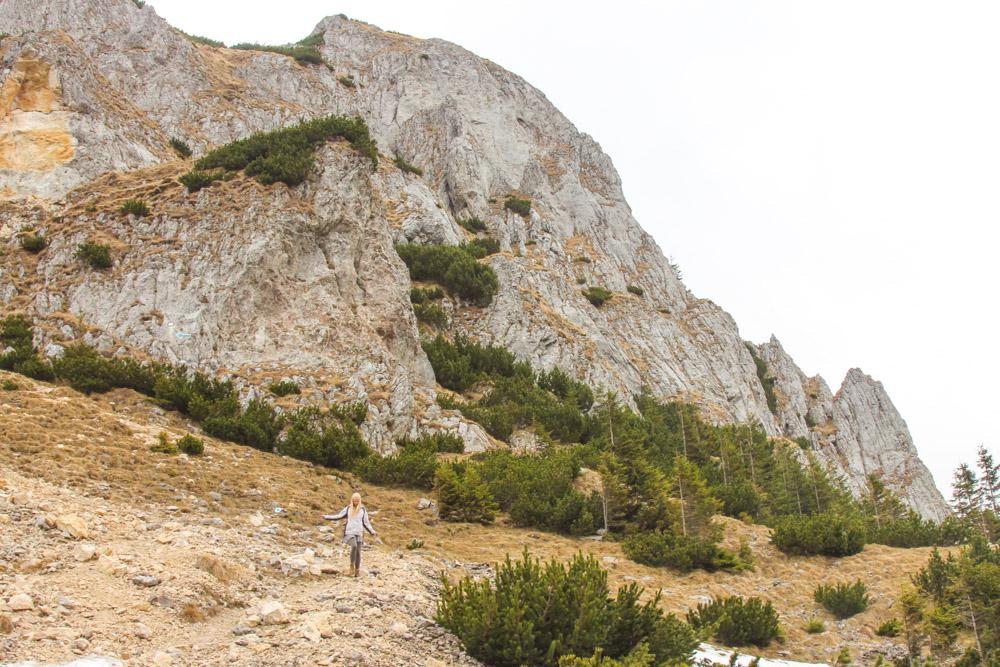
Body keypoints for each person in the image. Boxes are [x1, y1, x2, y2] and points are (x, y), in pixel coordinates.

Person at [324, 492, 376, 576]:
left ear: (359, 501)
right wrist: (327, 517)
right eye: (354, 501)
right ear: (352, 500)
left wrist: (372, 531)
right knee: (354, 546)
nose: (355, 502)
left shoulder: (363, 510)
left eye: (357, 501)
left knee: (358, 552)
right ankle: (351, 567)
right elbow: (338, 516)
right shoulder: (348, 508)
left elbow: (366, 523)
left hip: (359, 533)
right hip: (349, 532)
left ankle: (357, 571)